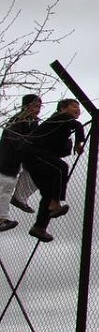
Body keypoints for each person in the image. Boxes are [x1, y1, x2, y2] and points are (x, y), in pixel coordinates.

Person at [23, 98, 85, 242]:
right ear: (63, 108)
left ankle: (39, 227)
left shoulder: (60, 126)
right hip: (33, 153)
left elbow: (57, 148)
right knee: (61, 167)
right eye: (74, 106)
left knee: (48, 192)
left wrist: (69, 144)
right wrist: (79, 141)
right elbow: (77, 125)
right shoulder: (60, 117)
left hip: (34, 158)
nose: (77, 110)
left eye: (79, 108)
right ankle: (56, 203)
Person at [0, 95, 42, 232]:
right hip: (7, 161)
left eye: (39, 106)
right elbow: (15, 140)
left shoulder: (33, 122)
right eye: (35, 106)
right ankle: (2, 218)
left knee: (39, 172)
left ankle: (19, 199)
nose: (38, 109)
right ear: (26, 106)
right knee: (5, 187)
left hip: (18, 160)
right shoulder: (17, 121)